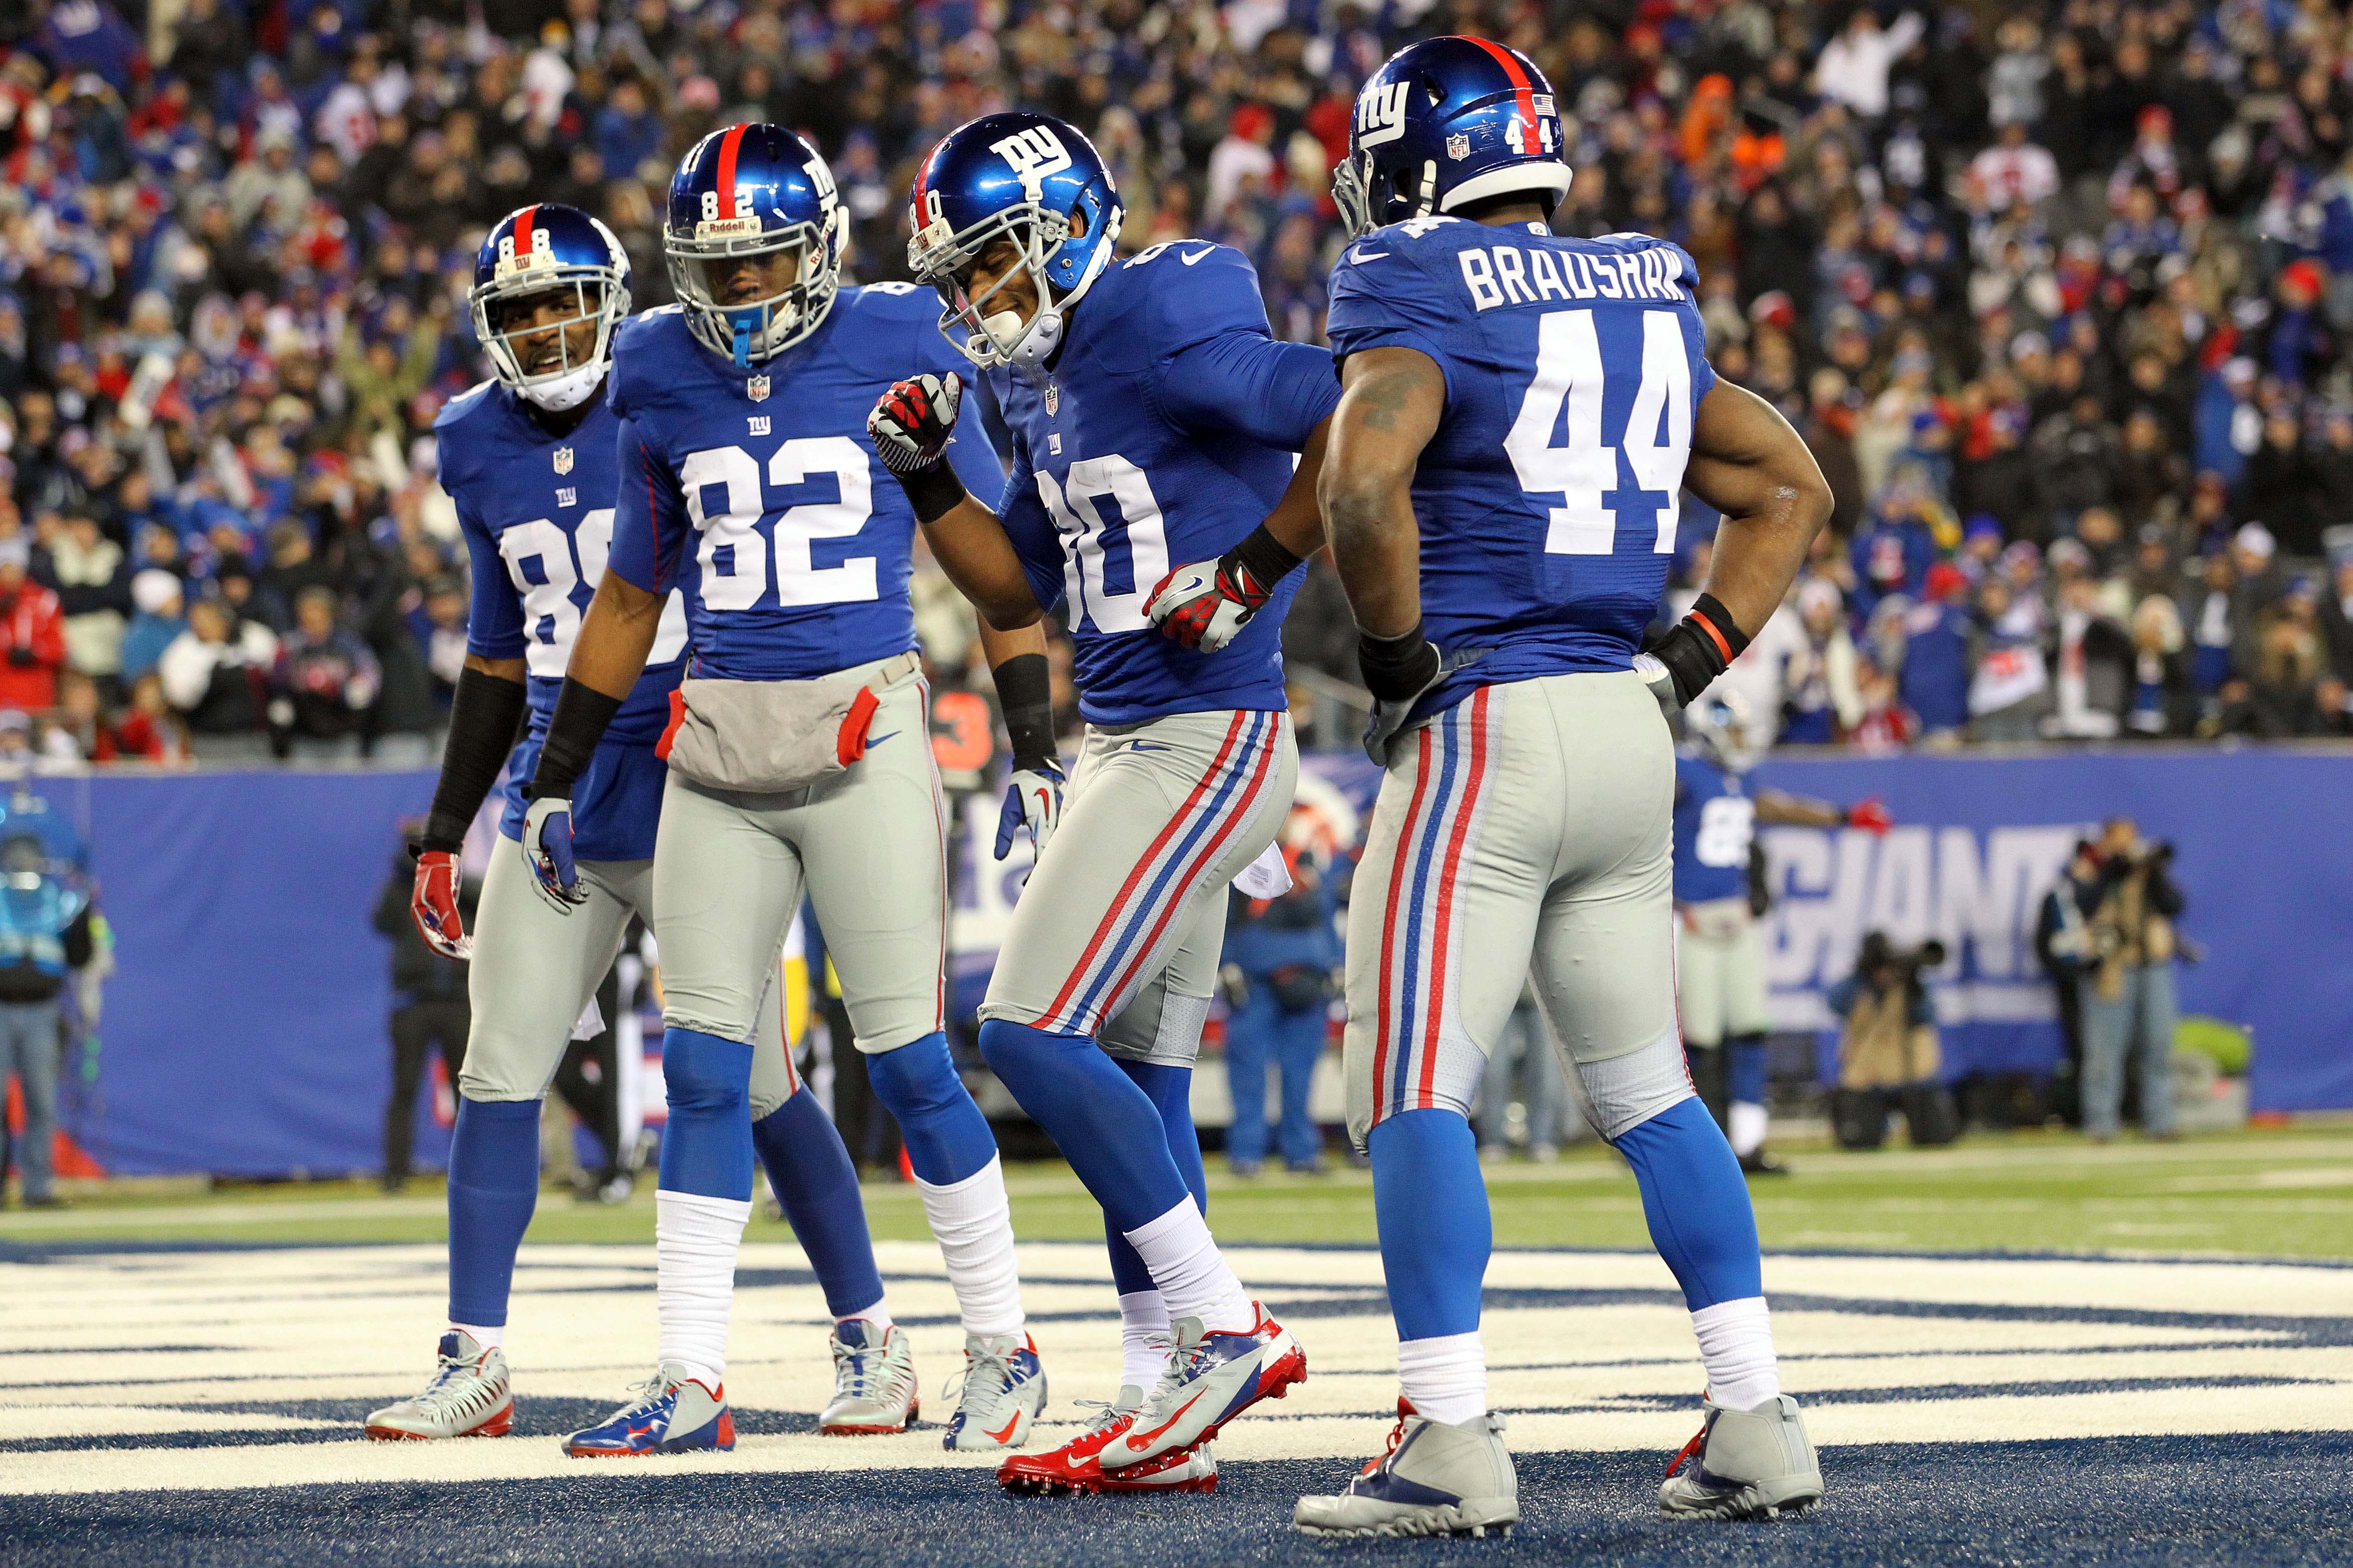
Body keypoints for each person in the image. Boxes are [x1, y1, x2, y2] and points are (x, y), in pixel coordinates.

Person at [1290, 38, 1828, 1535]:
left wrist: (1394, 662)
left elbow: (1354, 486)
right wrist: (1690, 656)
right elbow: (1794, 485)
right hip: (1626, 719)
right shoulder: (1641, 281)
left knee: (1407, 1082)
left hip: (1488, 727)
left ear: (1415, 164)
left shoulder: (1409, 281)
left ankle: (1448, 1438)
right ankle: (1751, 1414)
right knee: (1651, 1088)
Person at [522, 132, 1044, 1458]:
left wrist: (1034, 735)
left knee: (911, 1060)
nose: (740, 291)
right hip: (717, 736)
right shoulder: (651, 363)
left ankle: (1003, 1344)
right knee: (701, 1065)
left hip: (863, 725)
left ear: (816, 248)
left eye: (761, 260)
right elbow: (633, 590)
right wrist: (553, 771)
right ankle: (690, 1374)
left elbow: (996, 572)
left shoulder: (898, 334)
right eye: (716, 266)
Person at [363, 203, 906, 1450]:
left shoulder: (667, 379)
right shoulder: (468, 440)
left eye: (566, 303)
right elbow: (498, 649)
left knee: (756, 1080)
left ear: (619, 304)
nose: (548, 328)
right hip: (557, 789)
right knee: (500, 1064)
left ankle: (869, 1327)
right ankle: (474, 1355)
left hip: (694, 768)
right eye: (521, 311)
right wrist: (446, 827)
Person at [871, 107, 1334, 1497]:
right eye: (956, 276)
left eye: (989, 262)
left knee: (1022, 1024)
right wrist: (926, 475)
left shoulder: (1165, 309)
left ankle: (1225, 1318)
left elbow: (1363, 413)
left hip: (1210, 733)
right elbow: (1016, 587)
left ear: (1067, 226)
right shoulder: (1040, 373)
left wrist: (1252, 567)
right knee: (1136, 1077)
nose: (970, 297)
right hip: (1133, 733)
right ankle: (1152, 1384)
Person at [1673, 691, 1890, 1174]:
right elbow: (1633, 812)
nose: (1741, 739)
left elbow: (1778, 808)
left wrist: (1843, 817)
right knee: (1698, 1044)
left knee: (1751, 1032)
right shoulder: (1679, 771)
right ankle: (1692, 1151)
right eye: (1734, 730)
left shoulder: (1738, 778)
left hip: (1735, 918)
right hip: (1689, 919)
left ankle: (1747, 1146)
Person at [1218, 840, 1340, 1175]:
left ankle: (1300, 1152)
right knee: (1248, 1072)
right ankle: (1246, 1152)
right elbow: (1224, 915)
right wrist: (1225, 963)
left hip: (1305, 980)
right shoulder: (1242, 856)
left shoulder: (1310, 862)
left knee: (1300, 1073)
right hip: (1256, 978)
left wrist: (1334, 963)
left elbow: (1326, 920)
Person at [0, 791, 93, 1209]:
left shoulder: (58, 900)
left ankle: (37, 1187)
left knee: (41, 1101)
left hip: (42, 1009)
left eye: (28, 854)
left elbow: (79, 956)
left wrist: (83, 920)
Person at [369, 832, 474, 1193]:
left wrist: (447, 874)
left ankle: (471, 1171)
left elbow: (484, 900)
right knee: (405, 1089)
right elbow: (381, 921)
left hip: (458, 1000)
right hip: (414, 1001)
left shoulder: (463, 886)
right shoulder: (403, 887)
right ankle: (395, 1172)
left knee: (466, 1090)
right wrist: (409, 870)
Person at [2074, 817, 2186, 1141]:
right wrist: (2111, 871)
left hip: (2150, 963)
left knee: (2158, 1046)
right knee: (2103, 1051)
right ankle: (2101, 1123)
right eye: (2118, 840)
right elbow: (2081, 904)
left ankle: (2160, 1120)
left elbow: (2174, 905)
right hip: (2110, 967)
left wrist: (2153, 873)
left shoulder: (2146, 873)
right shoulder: (2091, 869)